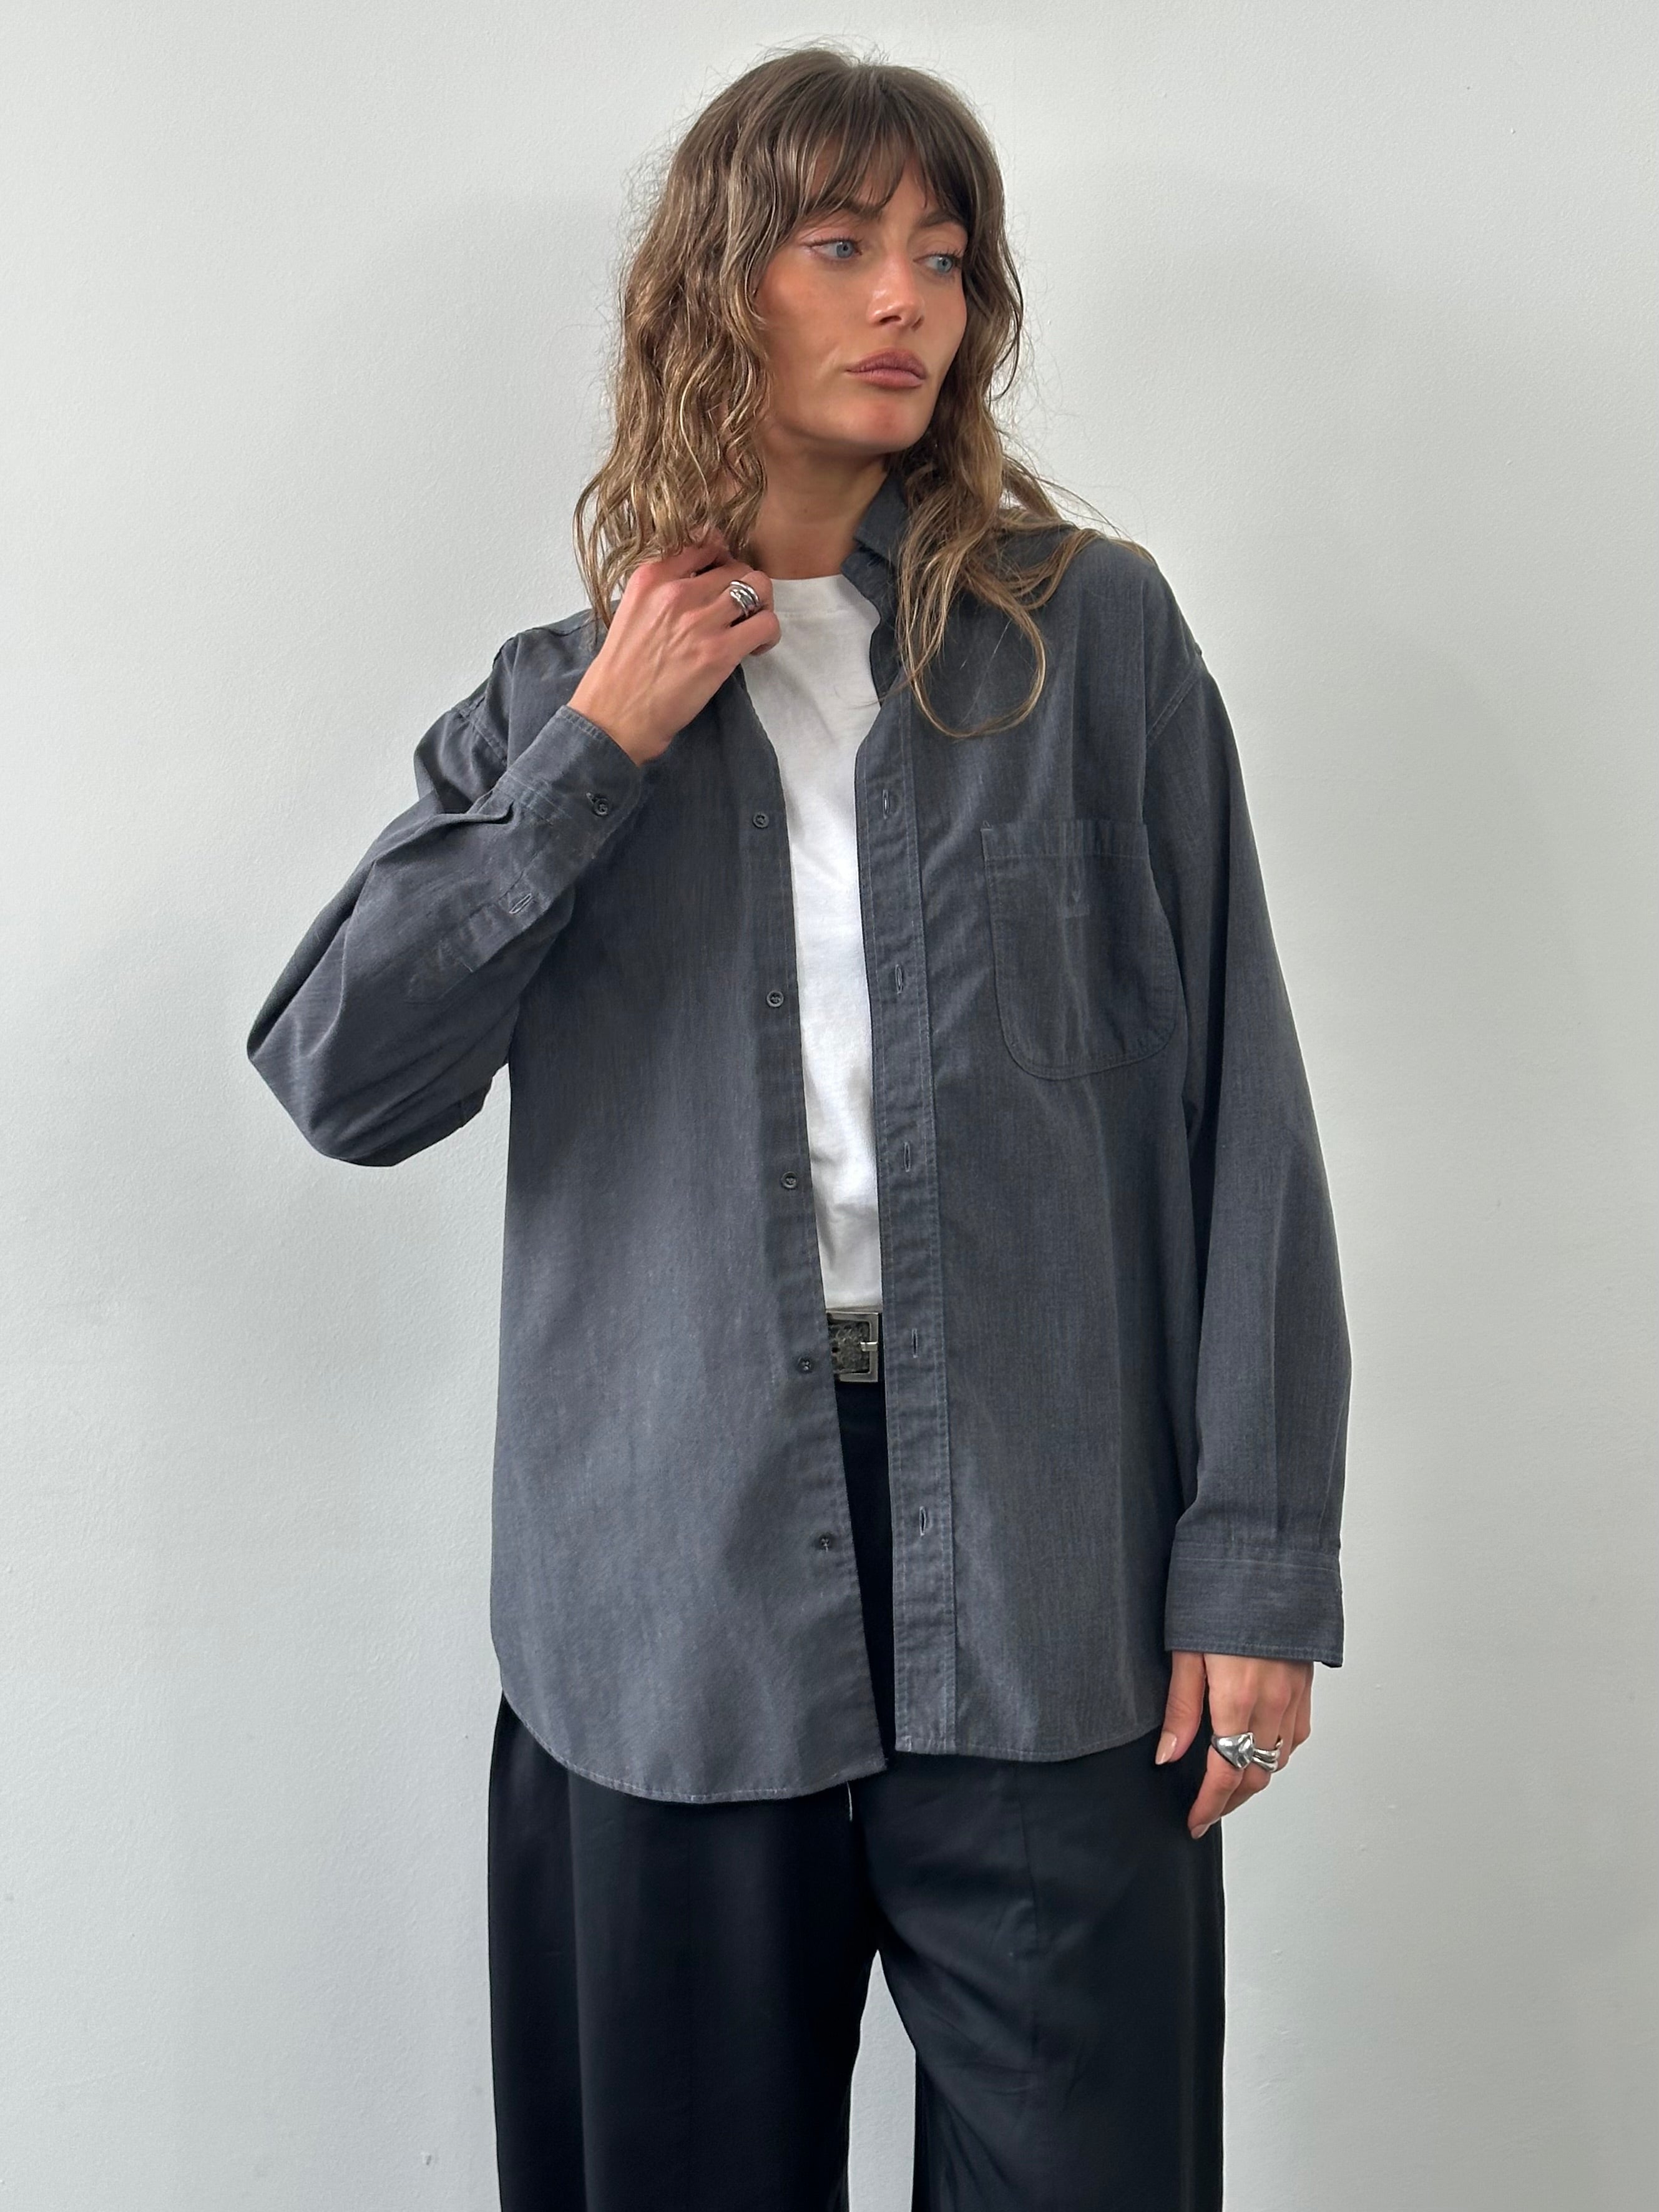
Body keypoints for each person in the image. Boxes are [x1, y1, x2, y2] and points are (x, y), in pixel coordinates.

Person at [246, 43, 1351, 2212]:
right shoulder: (558, 696)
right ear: (715, 286)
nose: (904, 298)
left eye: (942, 254)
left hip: (1053, 1566)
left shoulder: (1090, 645)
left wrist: (1257, 1564)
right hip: (670, 1590)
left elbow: (1246, 1110)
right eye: (840, 246)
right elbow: (344, 1081)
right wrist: (594, 755)